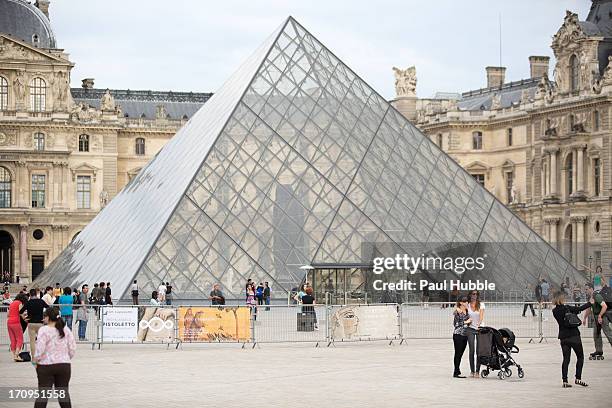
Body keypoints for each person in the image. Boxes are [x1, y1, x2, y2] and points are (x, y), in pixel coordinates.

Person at [34, 307, 76, 408]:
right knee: (63, 394)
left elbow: (40, 349)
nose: (43, 319)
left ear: (48, 317)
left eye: (44, 316)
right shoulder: (65, 330)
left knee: (43, 395)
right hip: (64, 365)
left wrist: (36, 360)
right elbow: (73, 348)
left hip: (46, 365)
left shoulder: (44, 330)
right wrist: (65, 357)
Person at [552, 290, 591, 388]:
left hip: (563, 337)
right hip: (574, 336)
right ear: (561, 298)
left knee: (566, 359)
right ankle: (578, 378)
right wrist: (590, 303)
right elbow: (580, 308)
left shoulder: (554, 311)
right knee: (580, 357)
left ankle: (565, 381)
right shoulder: (567, 308)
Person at [583, 283, 612, 359]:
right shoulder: (590, 297)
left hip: (602, 317)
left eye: (587, 289)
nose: (586, 291)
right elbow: (589, 309)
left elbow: (604, 306)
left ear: (591, 288)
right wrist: (585, 318)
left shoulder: (597, 296)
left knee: (608, 334)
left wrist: (600, 316)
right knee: (596, 334)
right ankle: (599, 350)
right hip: (596, 317)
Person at [23, 288, 47, 360]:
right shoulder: (41, 301)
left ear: (30, 295)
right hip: (40, 323)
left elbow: (21, 311)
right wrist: (45, 317)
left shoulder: (28, 302)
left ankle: (33, 357)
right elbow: (49, 308)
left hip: (31, 323)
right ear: (36, 294)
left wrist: (24, 318)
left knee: (32, 341)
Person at [466, 290, 485, 378]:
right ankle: (472, 371)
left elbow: (481, 316)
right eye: (473, 294)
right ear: (470, 295)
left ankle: (477, 371)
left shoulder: (481, 304)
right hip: (470, 328)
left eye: (476, 294)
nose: (475, 296)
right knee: (471, 350)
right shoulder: (467, 305)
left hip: (479, 329)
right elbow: (457, 308)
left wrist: (479, 325)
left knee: (479, 351)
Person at [452, 295, 471, 378]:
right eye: (464, 301)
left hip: (465, 335)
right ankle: (456, 372)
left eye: (467, 301)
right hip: (458, 335)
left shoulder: (467, 310)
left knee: (461, 354)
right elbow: (455, 324)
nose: (467, 302)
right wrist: (466, 322)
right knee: (458, 353)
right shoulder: (457, 312)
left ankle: (457, 370)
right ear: (460, 303)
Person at [7, 293, 28, 361]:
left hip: (9, 322)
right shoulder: (20, 303)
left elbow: (8, 314)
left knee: (13, 339)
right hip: (16, 322)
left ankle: (15, 356)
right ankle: (16, 355)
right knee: (20, 339)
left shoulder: (12, 303)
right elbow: (20, 312)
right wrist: (25, 319)